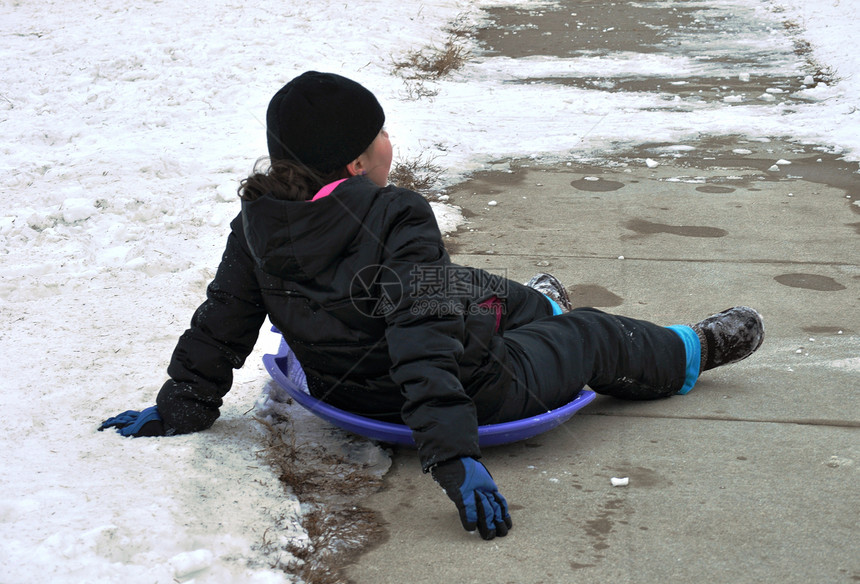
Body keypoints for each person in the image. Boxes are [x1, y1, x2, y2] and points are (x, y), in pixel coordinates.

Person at [100, 71, 765, 541]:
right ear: (355, 163)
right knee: (592, 334)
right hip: (476, 389)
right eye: (380, 131)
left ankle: (540, 308)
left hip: (343, 390)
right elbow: (420, 338)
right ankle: (690, 350)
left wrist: (181, 403)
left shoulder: (260, 222)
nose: (390, 138)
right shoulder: (398, 215)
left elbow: (226, 318)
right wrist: (452, 455)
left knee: (478, 288)